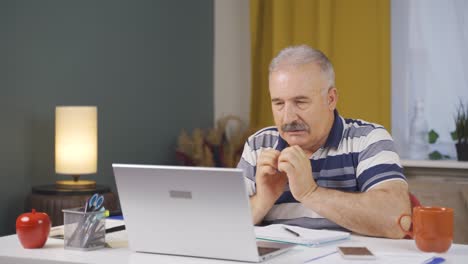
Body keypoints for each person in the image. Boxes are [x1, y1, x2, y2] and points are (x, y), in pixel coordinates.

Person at [237, 45, 411, 238]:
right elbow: (222, 225)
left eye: (301, 102)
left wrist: (310, 192)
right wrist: (262, 199)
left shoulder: (368, 139)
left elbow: (397, 220)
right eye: (278, 103)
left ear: (331, 99)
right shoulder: (258, 145)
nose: (287, 118)